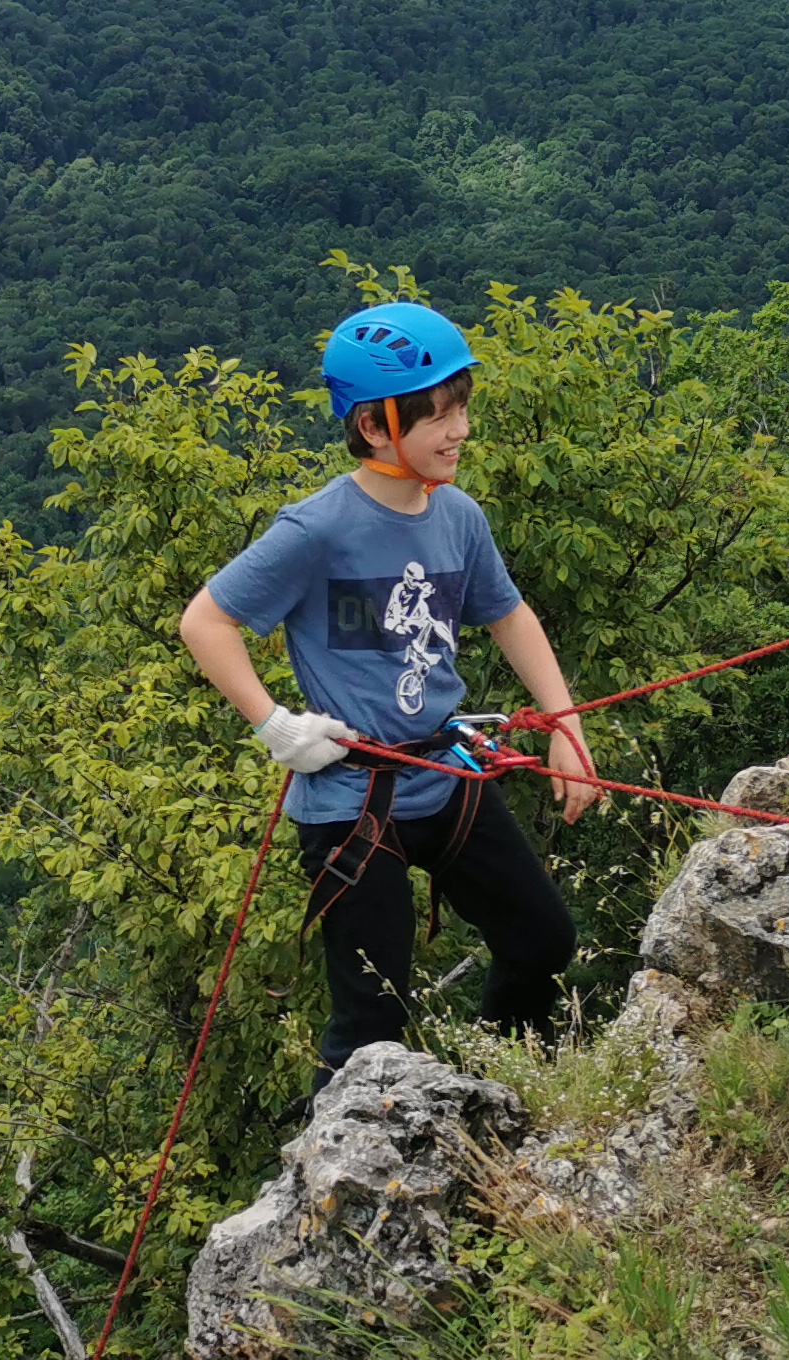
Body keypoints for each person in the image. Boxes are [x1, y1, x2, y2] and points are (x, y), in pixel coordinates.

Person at [178, 300, 603, 1083]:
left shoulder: (459, 518)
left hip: (445, 777)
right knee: (374, 1020)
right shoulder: (317, 530)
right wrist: (276, 725)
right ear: (376, 426)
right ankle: (342, 1173)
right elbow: (206, 622)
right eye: (438, 414)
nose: (460, 430)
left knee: (542, 940)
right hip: (351, 798)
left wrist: (565, 727)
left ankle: (494, 1094)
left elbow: (508, 614)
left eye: (462, 407)